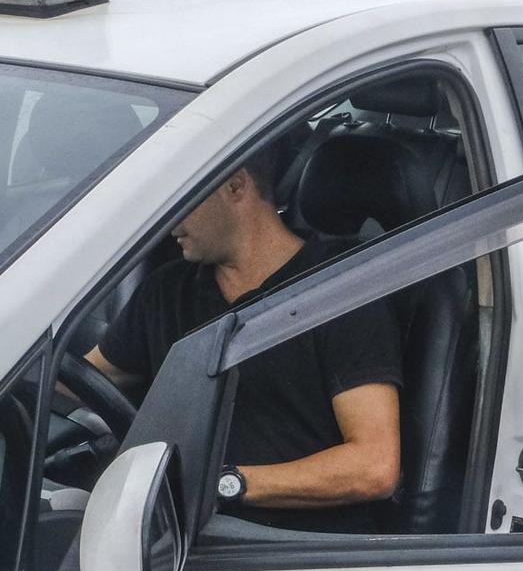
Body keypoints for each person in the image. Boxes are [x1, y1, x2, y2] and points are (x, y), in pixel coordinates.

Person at [86, 152, 404, 535]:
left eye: (182, 199)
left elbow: (374, 466)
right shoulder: (167, 291)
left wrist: (223, 484)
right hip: (178, 534)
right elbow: (84, 379)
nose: (169, 221)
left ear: (236, 186)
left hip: (294, 549)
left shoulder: (341, 292)